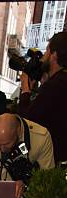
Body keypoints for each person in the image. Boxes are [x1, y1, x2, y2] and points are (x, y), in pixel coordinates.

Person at [18, 31, 67, 164]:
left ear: (54, 55)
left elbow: (27, 122)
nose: (43, 56)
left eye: (47, 51)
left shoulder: (56, 85)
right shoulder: (59, 82)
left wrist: (25, 89)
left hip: (53, 160)